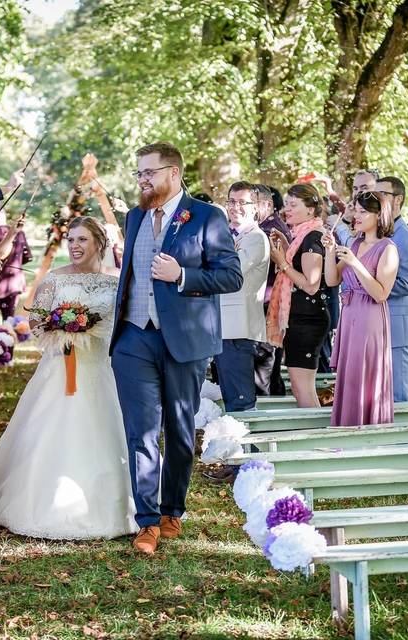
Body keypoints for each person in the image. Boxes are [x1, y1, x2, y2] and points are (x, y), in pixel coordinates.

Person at [0, 217, 138, 539]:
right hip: (59, 369)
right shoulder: (55, 280)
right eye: (71, 239)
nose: (74, 246)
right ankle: (31, 500)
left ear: (99, 242)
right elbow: (38, 324)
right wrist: (61, 328)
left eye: (82, 239)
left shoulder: (117, 280)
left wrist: (90, 330)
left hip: (102, 368)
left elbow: (124, 324)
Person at [110, 141, 242, 555]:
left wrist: (182, 274)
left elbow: (231, 276)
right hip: (133, 336)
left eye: (149, 173)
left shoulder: (207, 217)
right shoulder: (135, 217)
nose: (143, 180)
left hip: (184, 339)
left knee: (180, 432)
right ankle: (147, 521)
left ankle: (172, 510)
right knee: (142, 432)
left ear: (173, 173)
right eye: (139, 173)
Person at [322, 190, 399, 426]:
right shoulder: (355, 244)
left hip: (370, 317)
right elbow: (332, 280)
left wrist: (356, 264)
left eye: (363, 211)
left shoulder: (388, 248)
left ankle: (369, 425)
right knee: (350, 374)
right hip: (350, 314)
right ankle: (347, 424)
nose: (356, 215)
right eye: (356, 210)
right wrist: (328, 250)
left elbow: (380, 293)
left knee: (365, 371)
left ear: (379, 216)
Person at [268, 184, 329, 408]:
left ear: (311, 210)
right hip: (301, 317)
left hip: (308, 320)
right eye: (286, 205)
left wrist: (281, 262)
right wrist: (286, 247)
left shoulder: (313, 237)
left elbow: (310, 284)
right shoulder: (301, 236)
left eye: (294, 205)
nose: (287, 210)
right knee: (299, 386)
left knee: (302, 387)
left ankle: (315, 437)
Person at [215, 182, 269, 412]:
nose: (235, 207)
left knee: (240, 401)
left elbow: (231, 270)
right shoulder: (226, 235)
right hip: (222, 328)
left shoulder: (256, 238)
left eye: (242, 202)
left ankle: (252, 449)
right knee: (228, 397)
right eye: (231, 201)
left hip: (240, 328)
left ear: (256, 207)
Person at [374, 176, 408, 403]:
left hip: (398, 326)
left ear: (398, 200)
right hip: (377, 323)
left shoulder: (406, 238)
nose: (376, 198)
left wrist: (371, 286)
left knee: (398, 396)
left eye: (382, 193)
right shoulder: (378, 233)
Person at [253, 183, 289, 397]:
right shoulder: (271, 226)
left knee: (263, 372)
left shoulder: (269, 231)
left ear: (266, 204)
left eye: (250, 203)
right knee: (270, 373)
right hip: (269, 304)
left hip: (267, 304)